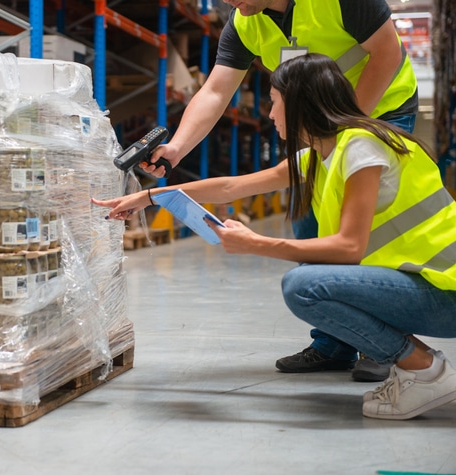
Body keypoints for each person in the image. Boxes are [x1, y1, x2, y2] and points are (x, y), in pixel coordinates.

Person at [94, 53, 456, 420]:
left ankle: (428, 372)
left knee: (304, 286)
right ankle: (416, 368)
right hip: (424, 285)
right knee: (308, 282)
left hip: (446, 294)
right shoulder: (322, 154)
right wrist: (149, 196)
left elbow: (349, 247)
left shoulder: (361, 146)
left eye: (275, 102)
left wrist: (256, 244)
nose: (270, 114)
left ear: (300, 102)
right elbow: (232, 187)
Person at [141, 0, 420, 382]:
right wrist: (175, 149)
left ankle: (383, 343)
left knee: (369, 227)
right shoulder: (245, 22)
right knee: (310, 222)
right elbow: (215, 92)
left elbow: (387, 54)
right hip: (319, 126)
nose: (225, 1)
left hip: (379, 108)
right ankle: (334, 342)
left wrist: (341, 132)